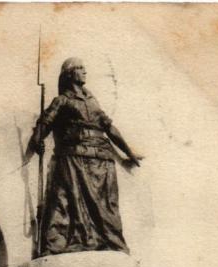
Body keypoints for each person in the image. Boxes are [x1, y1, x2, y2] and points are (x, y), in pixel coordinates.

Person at [27, 57, 142, 256]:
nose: (84, 71)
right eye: (80, 68)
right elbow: (45, 122)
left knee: (107, 206)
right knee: (67, 204)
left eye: (84, 67)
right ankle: (57, 244)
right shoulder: (62, 100)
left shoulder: (93, 101)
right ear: (69, 74)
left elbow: (109, 128)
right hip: (75, 160)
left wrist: (128, 153)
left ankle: (111, 242)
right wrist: (37, 139)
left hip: (102, 158)